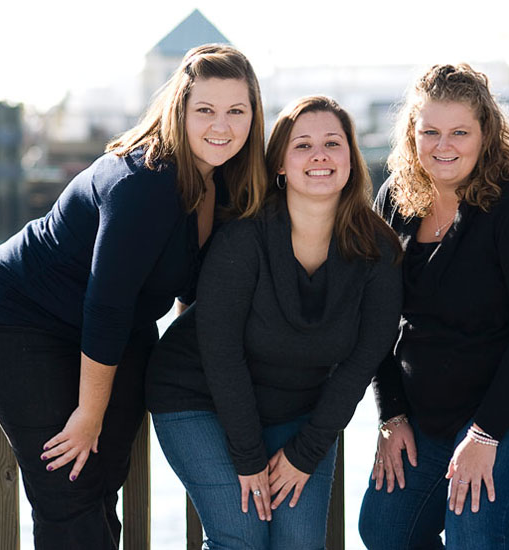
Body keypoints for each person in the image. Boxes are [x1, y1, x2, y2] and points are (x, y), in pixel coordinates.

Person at [0, 44, 266, 549]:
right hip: (25, 318)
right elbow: (105, 304)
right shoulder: (146, 181)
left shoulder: (228, 179)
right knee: (69, 491)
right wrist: (87, 415)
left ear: (254, 116)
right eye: (206, 110)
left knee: (103, 484)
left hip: (121, 331)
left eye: (236, 110)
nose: (222, 125)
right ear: (180, 112)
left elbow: (194, 295)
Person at [357, 63, 509, 550]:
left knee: (474, 526)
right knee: (385, 529)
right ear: (412, 132)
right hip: (439, 400)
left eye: (459, 132)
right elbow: (378, 320)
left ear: (485, 133)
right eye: (429, 131)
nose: (442, 145)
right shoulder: (394, 199)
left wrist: (486, 433)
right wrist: (392, 415)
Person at [145, 95, 402, 550]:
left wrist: (306, 453)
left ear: (350, 159)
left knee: (298, 544)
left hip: (297, 408)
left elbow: (364, 360)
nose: (319, 155)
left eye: (332, 143)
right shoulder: (244, 239)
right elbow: (220, 355)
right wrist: (248, 459)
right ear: (280, 164)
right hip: (197, 395)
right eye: (302, 145)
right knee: (241, 536)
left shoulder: (377, 250)